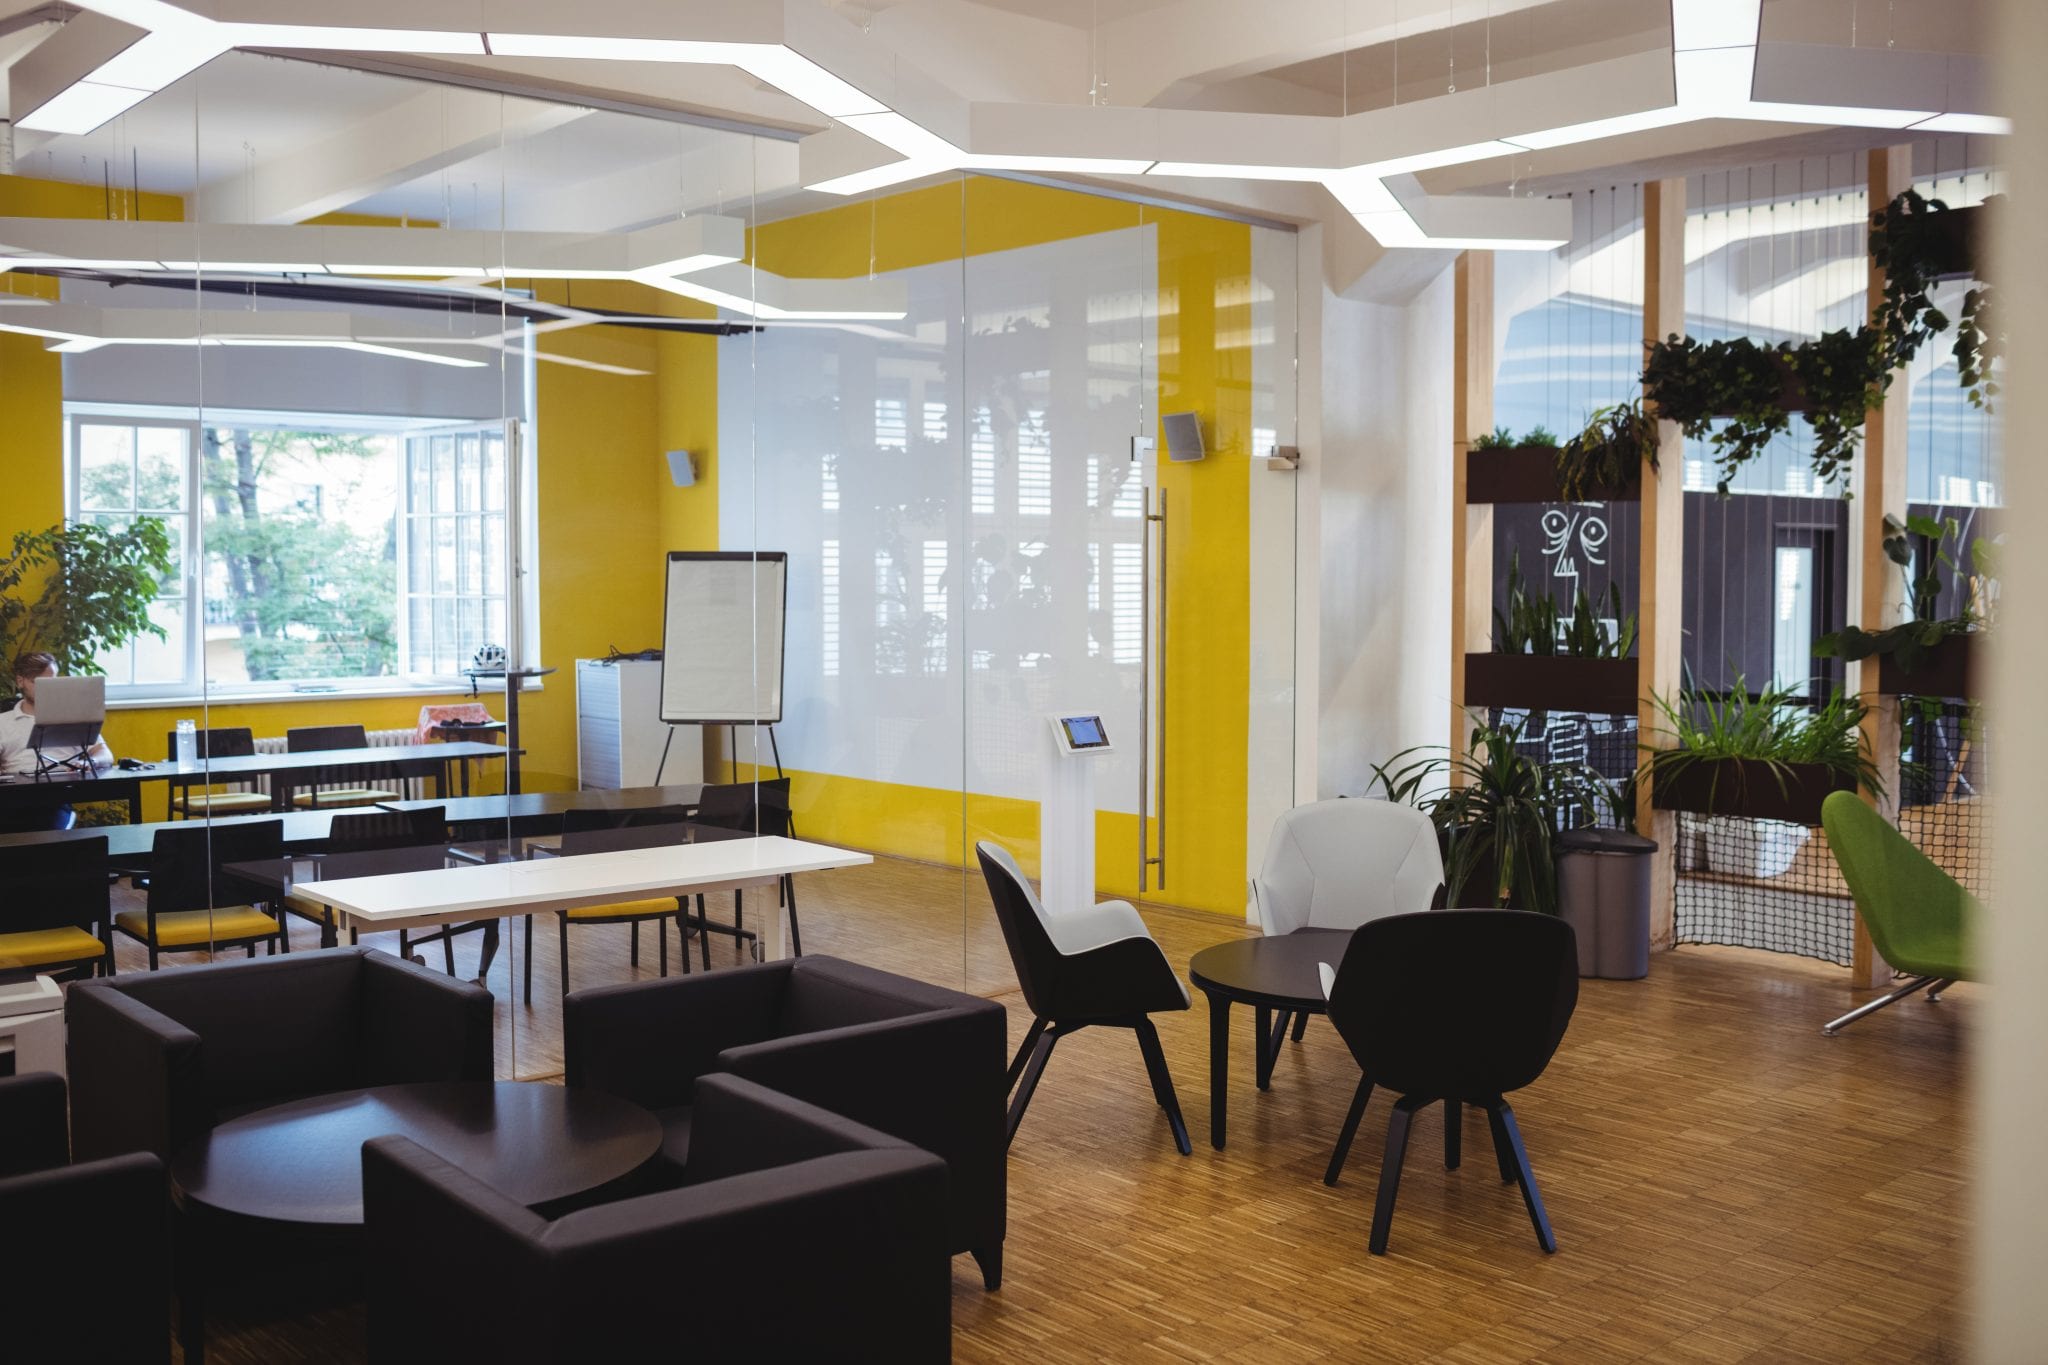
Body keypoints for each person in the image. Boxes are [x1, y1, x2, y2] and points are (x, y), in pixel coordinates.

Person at [0, 651, 115, 778]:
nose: (46, 689)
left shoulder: (73, 717)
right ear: (20, 681)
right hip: (19, 790)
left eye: (50, 682)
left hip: (67, 787)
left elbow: (105, 754)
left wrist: (90, 762)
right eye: (39, 683)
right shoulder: (3, 722)